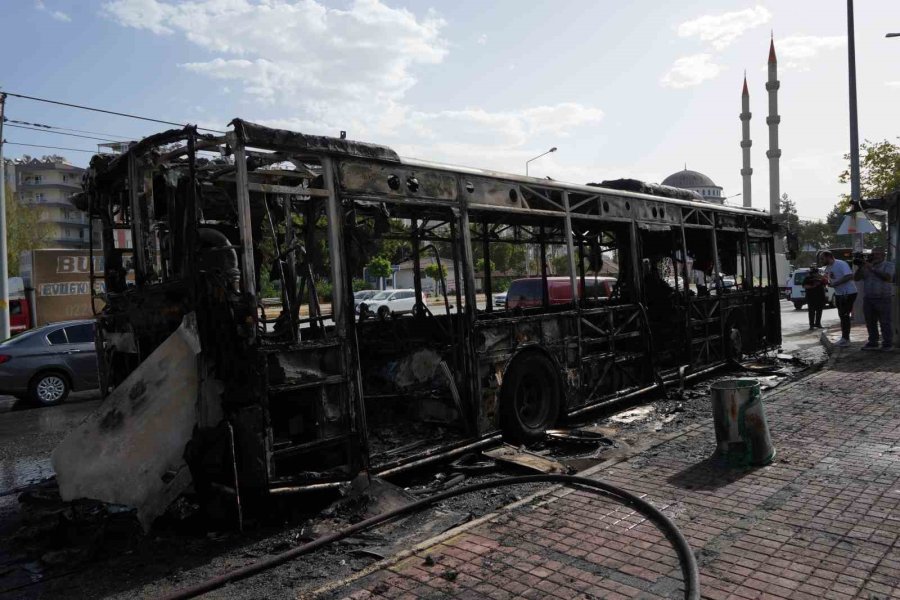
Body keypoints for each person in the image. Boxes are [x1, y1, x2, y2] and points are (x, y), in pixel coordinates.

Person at [853, 247, 894, 351]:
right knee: (870, 322)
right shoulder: (867, 266)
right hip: (869, 298)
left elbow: (887, 277)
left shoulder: (889, 265)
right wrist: (860, 267)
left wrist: (872, 268)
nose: (875, 256)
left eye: (877, 254)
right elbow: (856, 278)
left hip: (883, 298)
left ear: (883, 255)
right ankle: (873, 342)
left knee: (885, 322)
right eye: (873, 254)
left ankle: (887, 344)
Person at [821, 250, 857, 347]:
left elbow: (849, 276)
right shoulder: (828, 267)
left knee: (844, 315)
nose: (821, 261)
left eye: (822, 258)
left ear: (829, 257)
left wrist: (836, 283)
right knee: (842, 315)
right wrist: (824, 280)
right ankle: (844, 338)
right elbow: (827, 278)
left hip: (848, 293)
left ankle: (846, 339)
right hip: (839, 294)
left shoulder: (841, 264)